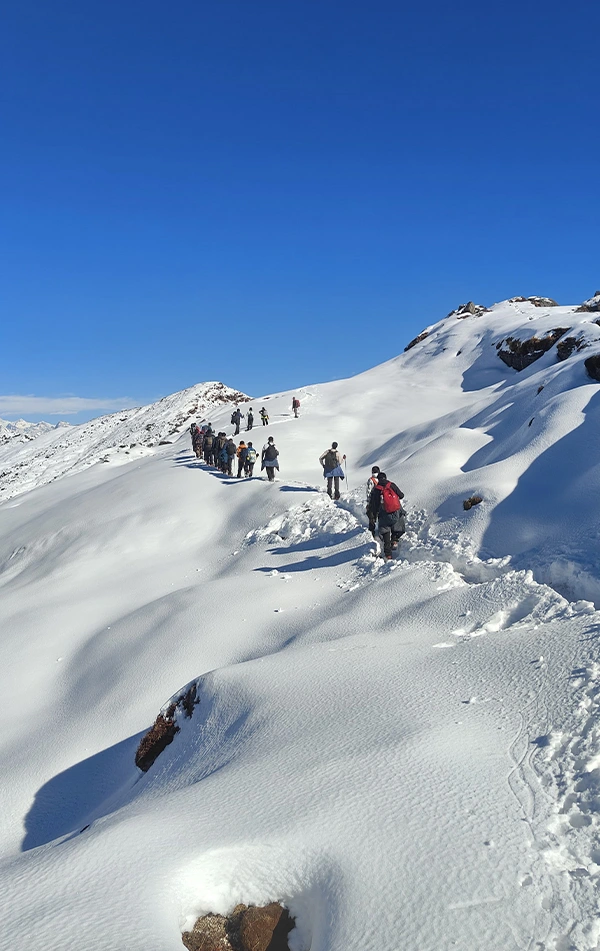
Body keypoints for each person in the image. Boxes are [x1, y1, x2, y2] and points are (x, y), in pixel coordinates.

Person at [366, 472, 406, 560]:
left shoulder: (376, 489)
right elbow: (401, 495)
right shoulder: (392, 485)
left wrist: (374, 516)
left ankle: (388, 555)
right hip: (395, 513)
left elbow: (374, 505)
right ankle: (395, 540)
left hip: (384, 514)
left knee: (385, 533)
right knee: (398, 526)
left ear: (378, 480)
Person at [366, 466, 381, 531]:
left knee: (371, 515)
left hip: (373, 501)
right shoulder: (381, 479)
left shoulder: (371, 480)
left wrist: (368, 502)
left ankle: (372, 530)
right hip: (381, 500)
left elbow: (368, 492)